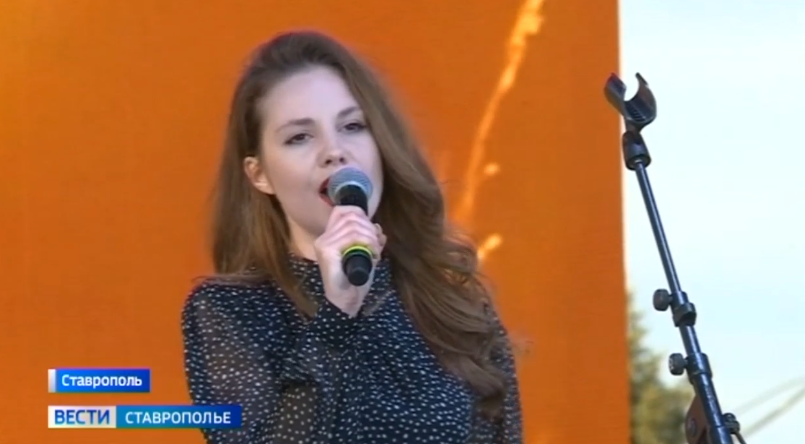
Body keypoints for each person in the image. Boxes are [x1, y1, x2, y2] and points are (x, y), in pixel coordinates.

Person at [181, 29, 523, 444]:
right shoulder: (230, 312)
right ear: (260, 174)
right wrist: (338, 313)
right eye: (300, 137)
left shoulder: (454, 305)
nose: (334, 151)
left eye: (352, 126)